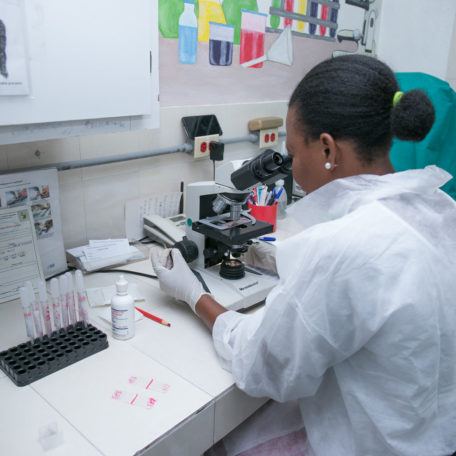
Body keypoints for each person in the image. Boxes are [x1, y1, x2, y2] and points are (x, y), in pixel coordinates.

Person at [151, 55, 456, 456]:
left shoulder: (346, 246)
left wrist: (194, 296)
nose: (291, 167)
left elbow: (262, 366)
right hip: (432, 430)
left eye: (293, 154)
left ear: (328, 148)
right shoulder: (436, 208)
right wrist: (275, 258)